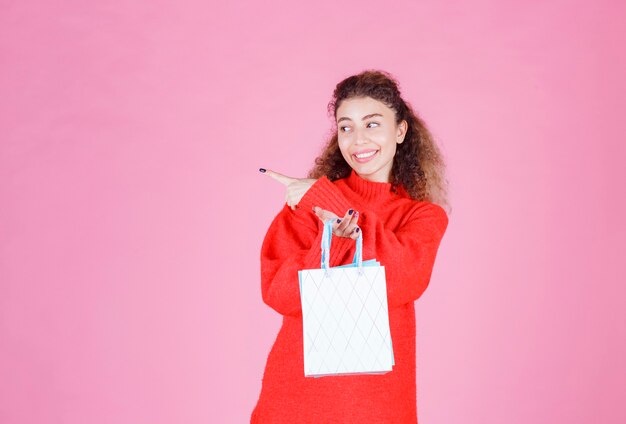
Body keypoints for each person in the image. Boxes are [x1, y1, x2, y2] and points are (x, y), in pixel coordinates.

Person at [251, 69, 450, 423]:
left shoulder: (423, 217)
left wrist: (329, 202)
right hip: (295, 401)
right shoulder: (305, 203)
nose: (358, 139)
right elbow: (277, 292)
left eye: (372, 124)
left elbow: (403, 280)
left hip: (379, 406)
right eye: (346, 127)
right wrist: (330, 239)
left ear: (400, 131)